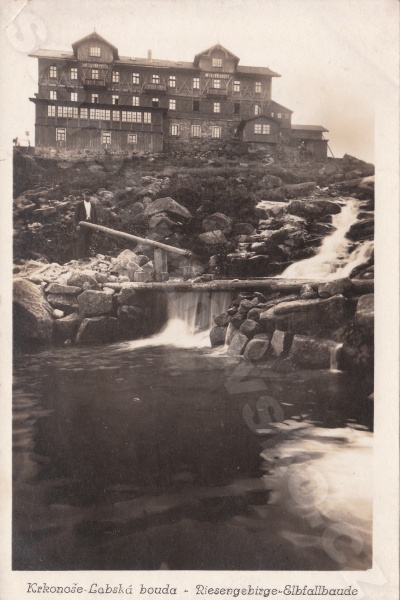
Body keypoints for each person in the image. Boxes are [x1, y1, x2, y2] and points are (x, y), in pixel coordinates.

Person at [73, 190, 98, 259]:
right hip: (82, 225)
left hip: (90, 224)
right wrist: (77, 225)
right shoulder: (80, 204)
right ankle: (80, 257)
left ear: (90, 196)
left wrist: (95, 226)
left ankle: (86, 256)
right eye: (86, 195)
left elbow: (95, 216)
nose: (87, 197)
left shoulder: (92, 205)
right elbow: (75, 216)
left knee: (88, 240)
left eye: (89, 195)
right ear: (83, 196)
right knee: (81, 241)